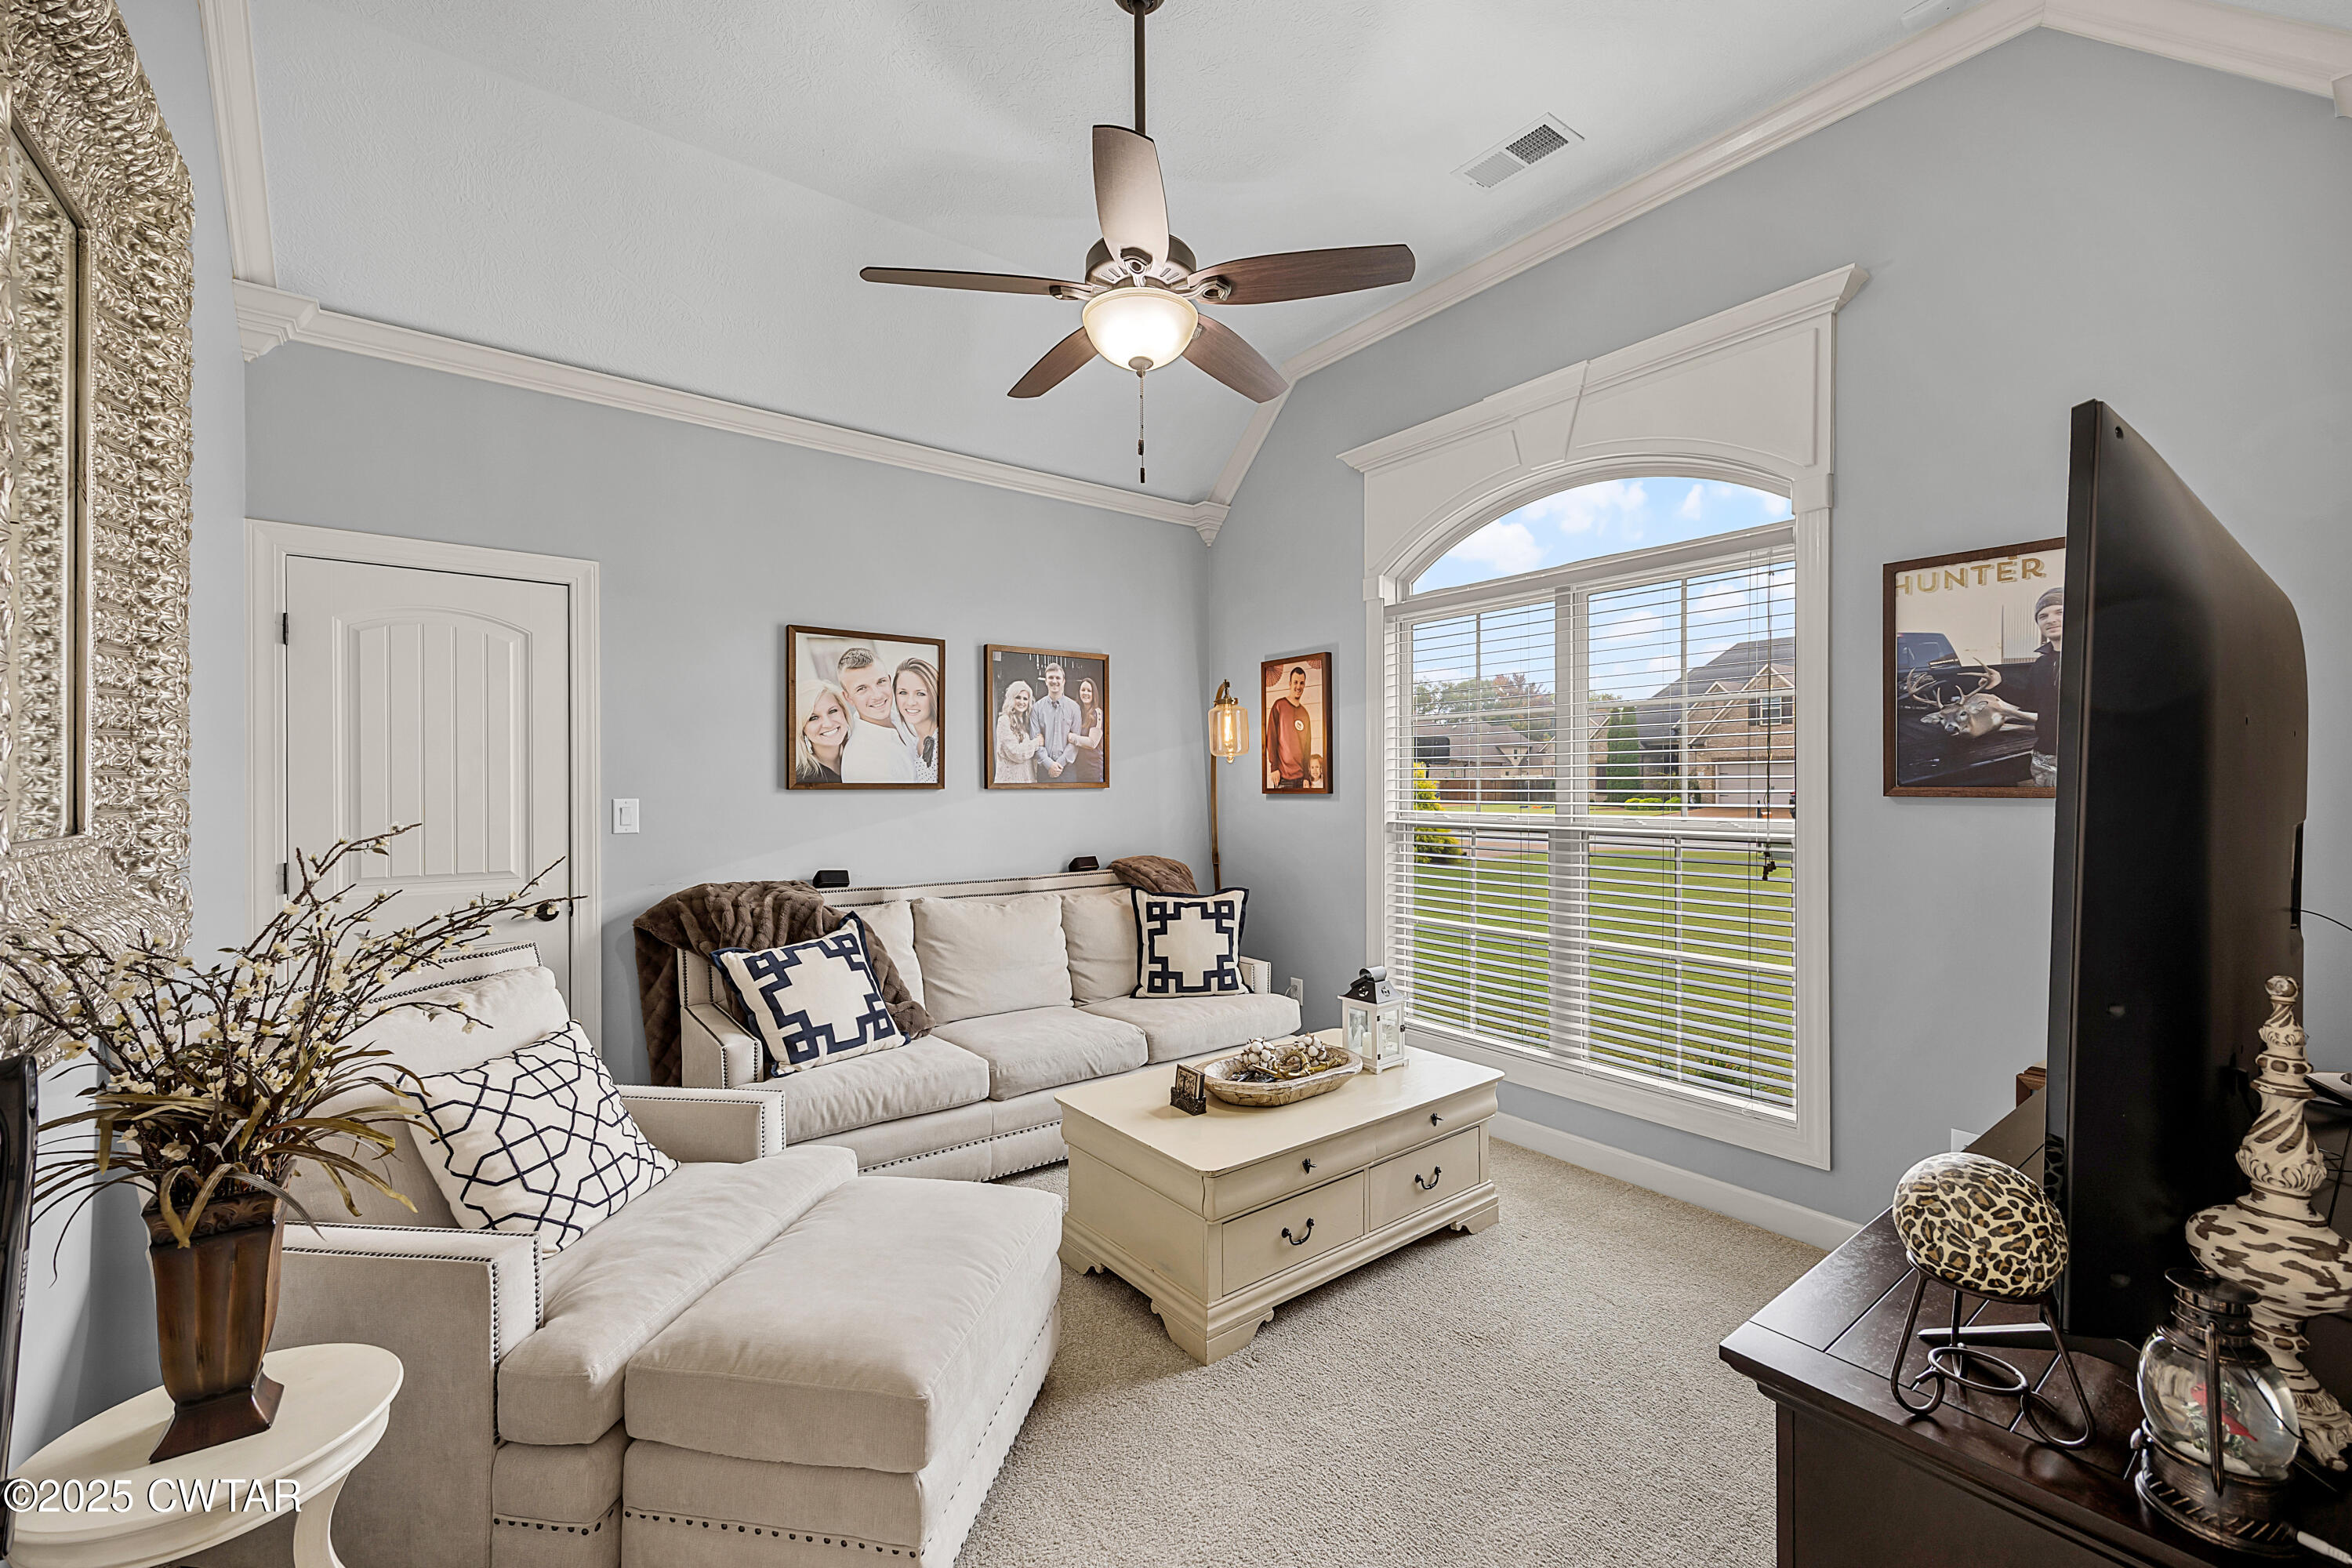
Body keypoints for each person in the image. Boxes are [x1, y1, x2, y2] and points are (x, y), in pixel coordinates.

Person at [1987, 586, 2063, 788]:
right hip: (2046, 755)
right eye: (2043, 616)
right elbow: (2030, 702)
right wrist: (2000, 685)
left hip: (2084, 756)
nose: (2051, 620)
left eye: (2060, 612)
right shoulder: (2042, 664)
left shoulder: (2094, 659)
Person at [835, 646, 916, 784]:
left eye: (881, 682)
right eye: (862, 689)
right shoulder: (862, 761)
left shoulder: (909, 718)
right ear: (848, 698)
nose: (877, 695)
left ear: (890, 681)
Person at [892, 659, 942, 784]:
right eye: (903, 692)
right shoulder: (912, 743)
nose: (910, 702)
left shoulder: (944, 742)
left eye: (920, 694)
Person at [1030, 662, 1080, 783]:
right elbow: (1035, 740)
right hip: (1044, 770)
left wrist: (1059, 764)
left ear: (1063, 681)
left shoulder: (1074, 708)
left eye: (1058, 678)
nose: (1054, 681)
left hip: (1067, 770)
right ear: (1046, 681)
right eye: (1051, 678)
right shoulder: (1036, 708)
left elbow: (1075, 742)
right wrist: (1049, 764)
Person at [793, 682, 851, 785]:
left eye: (832, 711)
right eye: (813, 718)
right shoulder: (804, 781)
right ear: (802, 730)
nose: (828, 724)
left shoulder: (860, 756)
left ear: (844, 713)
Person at [1267, 664, 1314, 790]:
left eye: (1302, 683)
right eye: (1296, 682)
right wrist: (1274, 767)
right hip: (1282, 777)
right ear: (1289, 684)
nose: (1298, 687)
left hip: (1301, 779)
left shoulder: (1305, 714)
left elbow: (1307, 748)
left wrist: (1306, 776)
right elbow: (1271, 738)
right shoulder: (1279, 706)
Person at [994, 681, 1042, 784]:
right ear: (1011, 699)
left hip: (1028, 780)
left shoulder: (1027, 723)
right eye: (1018, 697)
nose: (1022, 702)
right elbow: (1016, 753)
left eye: (1025, 699)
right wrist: (1036, 743)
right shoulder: (1004, 721)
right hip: (1010, 781)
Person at [1071, 676, 1105, 785]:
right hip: (1078, 767)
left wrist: (1072, 737)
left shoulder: (1098, 713)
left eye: (1089, 691)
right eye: (1083, 690)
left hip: (1093, 769)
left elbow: (1092, 743)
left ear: (1094, 694)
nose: (1086, 693)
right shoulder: (1077, 712)